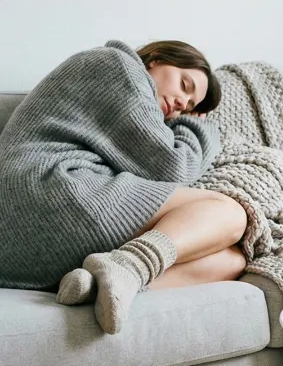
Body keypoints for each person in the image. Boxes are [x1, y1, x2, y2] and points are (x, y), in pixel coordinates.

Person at [0, 39, 247, 334]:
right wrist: (198, 126)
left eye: (190, 108)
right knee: (231, 213)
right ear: (156, 57)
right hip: (47, 189)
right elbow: (173, 167)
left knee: (230, 261)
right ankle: (128, 266)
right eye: (184, 84)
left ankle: (100, 284)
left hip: (32, 241)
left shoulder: (130, 100)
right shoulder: (117, 66)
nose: (182, 104)